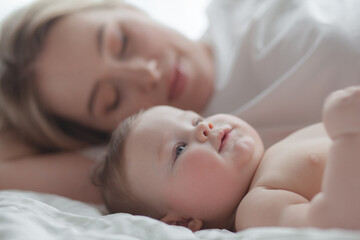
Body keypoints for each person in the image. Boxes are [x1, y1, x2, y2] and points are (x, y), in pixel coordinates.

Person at [1, 0, 360, 203]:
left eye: (122, 41)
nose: (146, 74)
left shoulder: (239, 9)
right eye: (111, 99)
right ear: (104, 133)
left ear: (127, 8)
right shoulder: (177, 159)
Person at [93, 86, 360, 232]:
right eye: (180, 149)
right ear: (182, 222)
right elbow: (329, 226)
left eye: (197, 119)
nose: (203, 128)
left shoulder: (277, 151)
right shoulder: (256, 206)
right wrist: (347, 134)